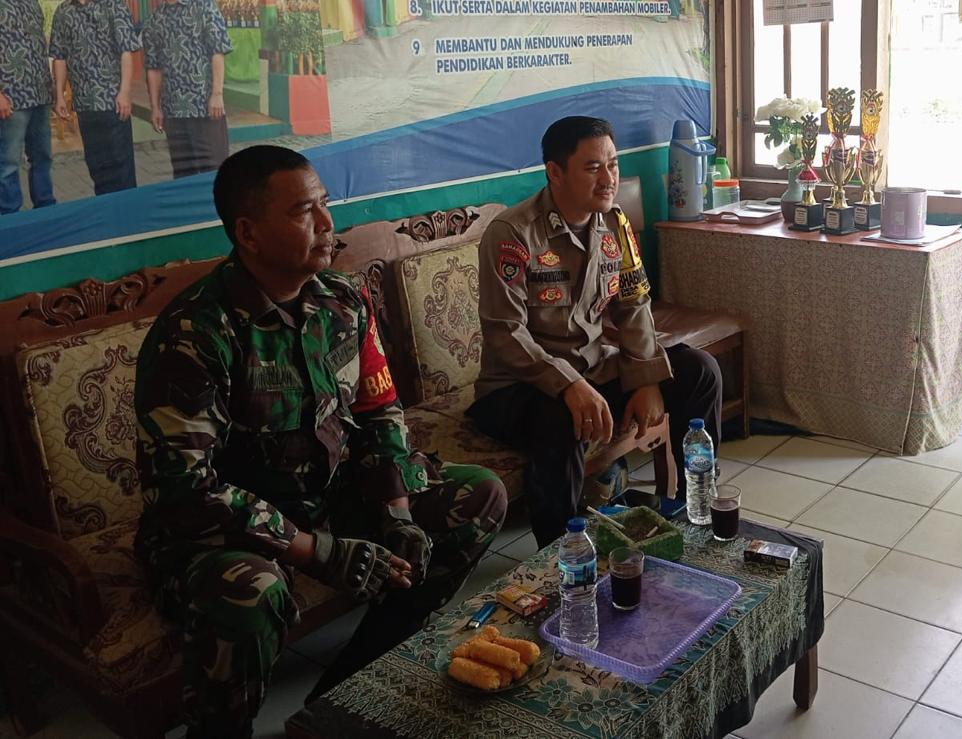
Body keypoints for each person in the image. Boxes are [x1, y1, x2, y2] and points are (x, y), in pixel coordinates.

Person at [134, 145, 507, 738]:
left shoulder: (343, 299)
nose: (328, 223)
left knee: (478, 496)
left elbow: (380, 411)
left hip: (329, 495)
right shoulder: (197, 333)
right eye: (304, 211)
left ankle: (344, 699)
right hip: (225, 530)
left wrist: (396, 512)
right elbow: (186, 489)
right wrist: (316, 551)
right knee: (251, 595)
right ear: (248, 233)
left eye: (325, 204)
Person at [468, 115, 723, 548]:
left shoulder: (614, 225)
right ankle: (561, 553)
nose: (608, 179)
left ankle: (695, 509)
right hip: (516, 389)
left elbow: (633, 305)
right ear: (555, 172)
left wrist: (645, 379)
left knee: (699, 370)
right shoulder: (513, 234)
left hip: (591, 372)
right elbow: (505, 333)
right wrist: (568, 385)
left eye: (613, 164)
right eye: (592, 168)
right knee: (561, 417)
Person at [50, 0, 143, 195]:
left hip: (113, 102)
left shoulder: (113, 5)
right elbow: (59, 56)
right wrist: (60, 95)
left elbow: (126, 51)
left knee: (121, 167)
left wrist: (125, 92)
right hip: (85, 104)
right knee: (97, 166)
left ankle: (126, 214)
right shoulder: (63, 12)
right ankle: (106, 213)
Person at [141, 0, 233, 178]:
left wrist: (217, 94)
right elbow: (153, 68)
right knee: (183, 175)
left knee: (216, 174)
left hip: (206, 108)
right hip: (174, 113)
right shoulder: (153, 21)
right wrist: (155, 107)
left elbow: (217, 52)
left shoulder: (203, 7)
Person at [0, 0, 55, 215]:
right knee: (8, 163)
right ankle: (9, 217)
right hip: (10, 98)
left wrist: (52, 85)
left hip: (40, 93)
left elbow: (39, 42)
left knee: (42, 156)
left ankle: (45, 209)